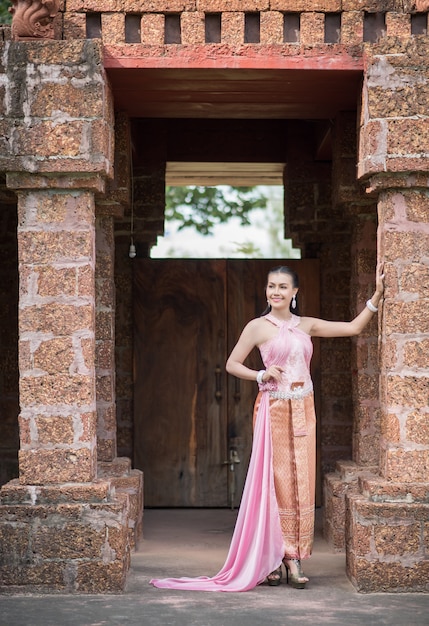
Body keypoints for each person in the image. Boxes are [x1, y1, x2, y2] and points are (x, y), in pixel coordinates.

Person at [150, 263, 385, 592]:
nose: (275, 291)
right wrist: (261, 375)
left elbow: (353, 328)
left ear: (294, 292)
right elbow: (232, 364)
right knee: (274, 481)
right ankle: (273, 558)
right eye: (271, 286)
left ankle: (295, 557)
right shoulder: (258, 327)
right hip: (273, 408)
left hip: (304, 408)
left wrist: (376, 296)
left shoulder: (307, 325)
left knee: (302, 480)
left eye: (282, 286)